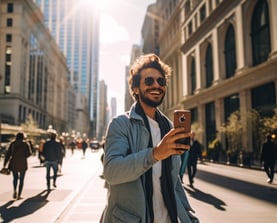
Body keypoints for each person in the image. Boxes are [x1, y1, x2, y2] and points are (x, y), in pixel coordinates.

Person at [100, 54, 198, 223]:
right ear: (136, 88)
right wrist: (155, 154)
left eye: (161, 81)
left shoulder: (169, 127)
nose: (156, 85)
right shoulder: (121, 124)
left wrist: (188, 217)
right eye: (149, 81)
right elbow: (111, 172)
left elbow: (173, 183)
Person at [3, 132, 32, 199]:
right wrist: (23, 156)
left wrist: (5, 164)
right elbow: (29, 154)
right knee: (21, 179)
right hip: (22, 163)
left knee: (15, 178)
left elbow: (8, 154)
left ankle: (14, 191)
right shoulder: (25, 144)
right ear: (23, 137)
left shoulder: (12, 144)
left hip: (14, 163)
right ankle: (19, 195)